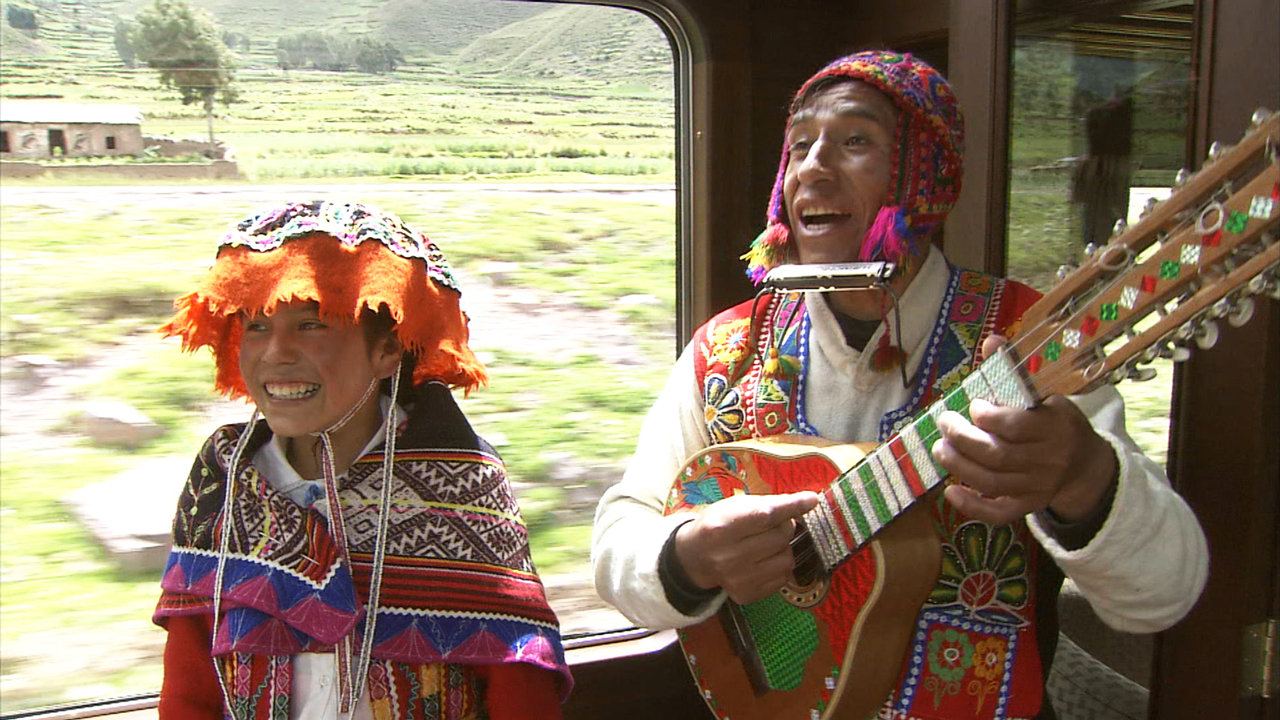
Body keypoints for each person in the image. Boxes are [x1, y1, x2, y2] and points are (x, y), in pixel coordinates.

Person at [591, 51, 1207, 719]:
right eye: (800, 145)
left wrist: (1085, 479)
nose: (812, 167)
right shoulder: (726, 351)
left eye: (855, 141)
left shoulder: (1026, 339)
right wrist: (688, 557)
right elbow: (620, 537)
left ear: (925, 176)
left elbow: (1164, 594)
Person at [153, 200, 572, 719]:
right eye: (257, 327)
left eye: (311, 326)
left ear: (388, 351)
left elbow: (520, 693)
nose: (275, 352)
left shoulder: (463, 487)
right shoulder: (224, 485)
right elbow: (189, 693)